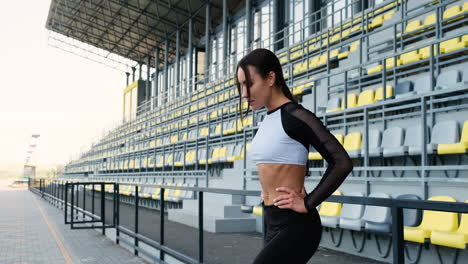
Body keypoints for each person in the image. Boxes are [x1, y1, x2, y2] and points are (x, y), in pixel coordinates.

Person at [235, 48, 353, 264]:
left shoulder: (296, 116)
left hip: (296, 224)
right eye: (241, 86)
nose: (244, 94)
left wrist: (308, 203)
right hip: (271, 219)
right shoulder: (267, 119)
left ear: (270, 78)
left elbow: (342, 162)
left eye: (249, 84)